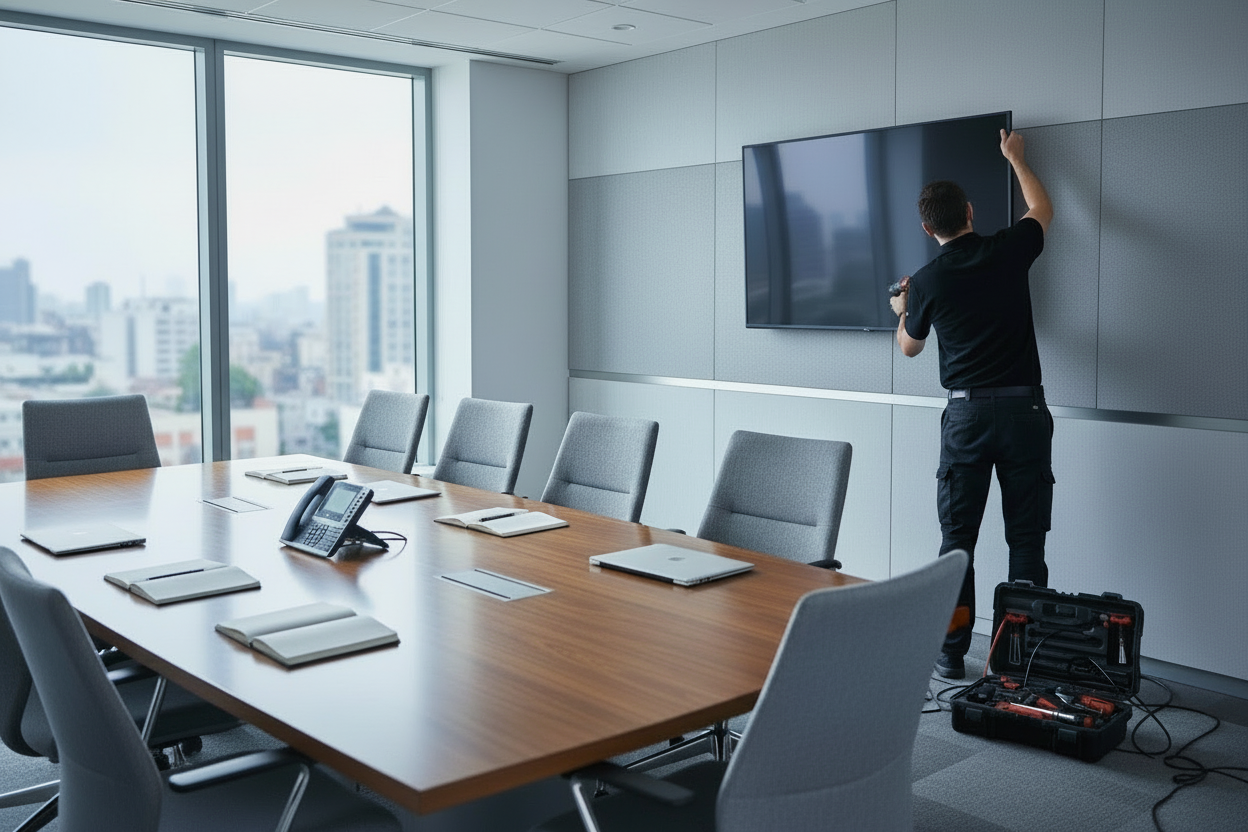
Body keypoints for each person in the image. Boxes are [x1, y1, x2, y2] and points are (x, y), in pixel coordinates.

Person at [890, 128, 1054, 679]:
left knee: (957, 540)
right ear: (968, 211)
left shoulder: (928, 281)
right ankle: (1020, 657)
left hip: (965, 419)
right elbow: (1042, 207)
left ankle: (951, 652)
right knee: (1025, 538)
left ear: (925, 227)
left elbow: (910, 348)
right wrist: (1015, 158)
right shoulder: (1008, 248)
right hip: (1025, 413)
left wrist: (902, 308)